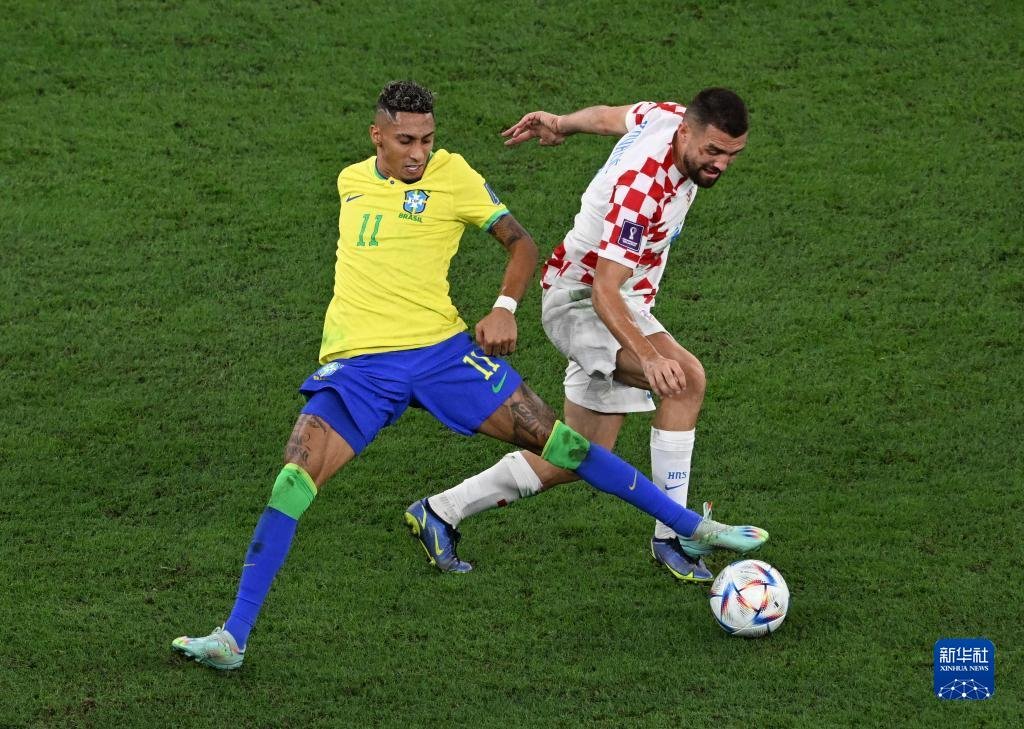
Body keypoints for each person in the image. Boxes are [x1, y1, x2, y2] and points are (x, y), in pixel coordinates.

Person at [172, 81, 767, 671]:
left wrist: (504, 308)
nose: (418, 153)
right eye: (405, 141)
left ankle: (687, 527)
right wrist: (564, 123)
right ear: (376, 136)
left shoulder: (454, 174)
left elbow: (521, 242)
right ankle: (232, 637)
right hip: (360, 367)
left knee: (566, 447)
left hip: (443, 357)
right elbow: (614, 148)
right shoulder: (350, 182)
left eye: (426, 140)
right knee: (291, 483)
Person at [416, 88, 752, 583]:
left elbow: (612, 117)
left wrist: (559, 122)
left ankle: (439, 511)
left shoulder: (667, 117)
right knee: (685, 380)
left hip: (618, 300)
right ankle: (675, 537)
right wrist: (648, 356)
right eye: (713, 151)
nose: (720, 164)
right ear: (687, 133)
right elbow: (604, 291)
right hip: (581, 301)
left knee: (581, 456)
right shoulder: (643, 190)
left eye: (732, 155)